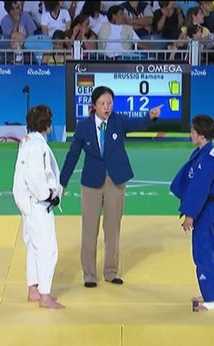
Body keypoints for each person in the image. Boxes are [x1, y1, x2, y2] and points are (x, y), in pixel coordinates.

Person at [59, 86, 163, 288]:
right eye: (102, 104)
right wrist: (62, 182)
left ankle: (110, 271)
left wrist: (150, 117)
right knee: (89, 230)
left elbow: (138, 124)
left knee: (113, 228)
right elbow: (73, 156)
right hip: (91, 183)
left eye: (110, 103)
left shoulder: (118, 120)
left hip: (116, 181)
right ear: (94, 105)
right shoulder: (83, 127)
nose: (107, 107)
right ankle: (89, 274)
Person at [170, 115, 214, 312]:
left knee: (203, 254)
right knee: (207, 252)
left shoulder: (208, 160)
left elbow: (199, 189)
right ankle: (209, 292)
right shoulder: (206, 153)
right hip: (209, 209)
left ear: (202, 135)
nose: (190, 134)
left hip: (206, 210)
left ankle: (212, 300)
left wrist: (189, 215)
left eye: (193, 131)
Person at [12, 105, 65, 309]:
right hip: (39, 204)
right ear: (47, 124)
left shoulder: (27, 142)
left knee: (34, 247)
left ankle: (33, 289)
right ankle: (44, 295)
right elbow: (35, 178)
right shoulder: (36, 146)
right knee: (47, 249)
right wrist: (49, 195)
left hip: (29, 204)